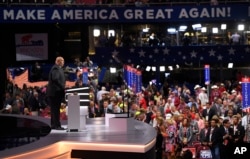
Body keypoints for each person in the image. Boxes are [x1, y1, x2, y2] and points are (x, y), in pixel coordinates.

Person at [47, 56, 66, 130]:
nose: (63, 62)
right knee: (55, 109)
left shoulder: (58, 68)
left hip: (55, 92)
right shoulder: (56, 68)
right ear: (58, 62)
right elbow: (55, 79)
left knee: (54, 109)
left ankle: (53, 125)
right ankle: (57, 125)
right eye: (62, 61)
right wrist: (62, 86)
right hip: (55, 92)